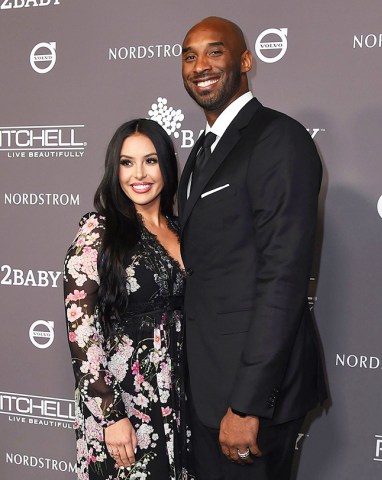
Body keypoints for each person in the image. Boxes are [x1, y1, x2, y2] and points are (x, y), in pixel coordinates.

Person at [178, 16, 327, 480]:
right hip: (206, 387)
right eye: (189, 55)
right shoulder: (202, 152)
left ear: (245, 60)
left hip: (252, 398)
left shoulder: (278, 139)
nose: (200, 65)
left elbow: (282, 277)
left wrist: (246, 404)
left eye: (215, 51)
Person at [64, 119, 194, 480]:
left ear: (166, 165)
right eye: (127, 162)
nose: (139, 173)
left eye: (150, 161)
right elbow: (82, 331)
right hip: (126, 402)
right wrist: (111, 415)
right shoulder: (99, 232)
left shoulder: (183, 229)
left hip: (183, 396)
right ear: (114, 169)